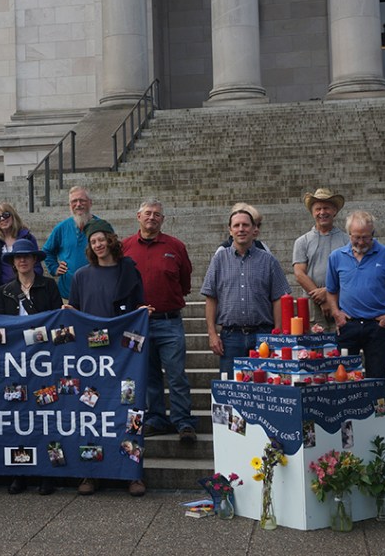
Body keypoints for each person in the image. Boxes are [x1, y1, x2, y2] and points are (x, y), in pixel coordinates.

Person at [64, 219, 146, 497]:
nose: (98, 245)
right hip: (91, 358)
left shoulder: (130, 272)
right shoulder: (81, 276)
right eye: (92, 241)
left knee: (129, 411)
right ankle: (90, 473)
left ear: (111, 240)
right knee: (90, 414)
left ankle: (132, 474)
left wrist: (143, 312)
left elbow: (138, 307)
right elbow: (73, 311)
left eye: (101, 239)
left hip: (124, 357)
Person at [121, 199, 197, 442]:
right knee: (149, 374)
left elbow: (185, 281)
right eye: (147, 213)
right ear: (138, 216)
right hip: (138, 323)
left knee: (176, 374)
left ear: (163, 219)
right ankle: (155, 418)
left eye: (157, 214)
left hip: (169, 321)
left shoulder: (175, 246)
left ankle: (183, 421)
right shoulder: (126, 247)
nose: (152, 217)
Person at [0, 238, 62, 495]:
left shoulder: (49, 286)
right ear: (12, 263)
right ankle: (20, 473)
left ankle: (46, 472)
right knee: (19, 419)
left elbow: (57, 322)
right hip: (16, 363)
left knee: (45, 419)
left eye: (27, 256)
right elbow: (0, 328)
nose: (22, 261)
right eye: (17, 257)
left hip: (45, 362)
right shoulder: (5, 291)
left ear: (35, 260)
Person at [202, 207, 290, 377]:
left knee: (265, 387)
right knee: (231, 389)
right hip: (230, 337)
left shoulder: (268, 260)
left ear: (254, 229)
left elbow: (278, 298)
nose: (241, 229)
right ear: (230, 230)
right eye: (236, 225)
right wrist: (212, 333)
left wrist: (277, 333)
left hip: (263, 335)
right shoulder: (219, 259)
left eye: (245, 225)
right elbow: (211, 297)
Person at [325, 210, 385, 380]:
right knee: (343, 377)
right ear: (349, 234)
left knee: (377, 378)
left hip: (377, 326)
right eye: (356, 237)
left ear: (373, 234)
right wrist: (336, 313)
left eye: (365, 237)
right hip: (348, 324)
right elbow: (331, 291)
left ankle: (378, 408)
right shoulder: (336, 257)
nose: (361, 242)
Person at [292, 188, 347, 328]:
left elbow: (351, 271)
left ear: (335, 211)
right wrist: (322, 299)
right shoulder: (302, 241)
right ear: (312, 212)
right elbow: (299, 274)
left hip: (341, 301)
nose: (322, 212)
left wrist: (329, 292)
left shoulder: (346, 241)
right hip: (312, 304)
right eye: (318, 209)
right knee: (314, 347)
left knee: (340, 347)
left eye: (326, 208)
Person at [0, 202, 42, 308]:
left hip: (27, 294)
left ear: (13, 215)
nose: (2, 219)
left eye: (6, 215)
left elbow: (37, 267)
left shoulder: (27, 237)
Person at [42, 186, 99, 299]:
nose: (78, 204)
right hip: (68, 296)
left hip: (96, 295)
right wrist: (54, 268)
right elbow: (47, 251)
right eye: (74, 201)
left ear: (90, 203)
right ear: (70, 205)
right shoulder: (62, 228)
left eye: (82, 200)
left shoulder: (101, 226)